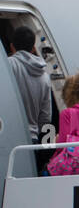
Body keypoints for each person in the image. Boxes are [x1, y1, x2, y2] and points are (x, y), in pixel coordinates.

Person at [7, 25, 52, 161]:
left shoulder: (8, 66)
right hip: (31, 141)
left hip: (8, 139)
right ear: (33, 48)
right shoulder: (45, 76)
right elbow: (46, 118)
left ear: (11, 46)